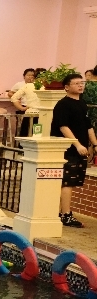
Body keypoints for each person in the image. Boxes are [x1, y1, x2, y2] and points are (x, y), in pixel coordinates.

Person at [50, 72, 95, 227]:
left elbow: (88, 126)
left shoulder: (82, 103)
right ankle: (66, 215)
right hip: (67, 149)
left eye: (82, 83)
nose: (80, 85)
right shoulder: (63, 104)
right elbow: (63, 126)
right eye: (76, 83)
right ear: (67, 87)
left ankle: (62, 212)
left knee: (72, 181)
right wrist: (77, 144)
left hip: (80, 148)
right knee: (66, 182)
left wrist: (94, 144)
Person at [9, 68, 40, 137]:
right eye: (28, 75)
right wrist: (22, 108)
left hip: (31, 111)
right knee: (37, 134)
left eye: (32, 75)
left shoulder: (28, 86)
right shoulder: (46, 87)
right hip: (40, 113)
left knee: (27, 133)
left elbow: (14, 98)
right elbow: (11, 94)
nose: (30, 77)